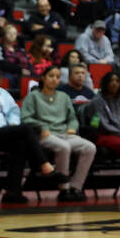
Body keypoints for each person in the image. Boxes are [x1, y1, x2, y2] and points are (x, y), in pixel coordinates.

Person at [0, 62, 66, 202]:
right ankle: (44, 166)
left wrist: (14, 125)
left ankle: (12, 193)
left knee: (20, 143)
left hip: (5, 131)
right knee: (26, 129)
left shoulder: (3, 93)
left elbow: (14, 112)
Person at [20, 66, 96, 202]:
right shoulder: (33, 97)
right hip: (44, 135)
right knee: (64, 147)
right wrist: (42, 126)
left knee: (90, 147)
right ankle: (64, 188)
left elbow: (72, 118)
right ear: (43, 78)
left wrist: (72, 127)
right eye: (51, 76)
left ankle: (76, 187)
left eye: (57, 77)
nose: (55, 79)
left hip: (64, 133)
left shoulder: (64, 96)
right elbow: (26, 118)